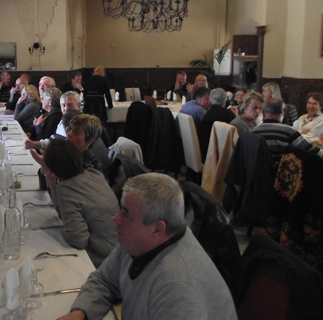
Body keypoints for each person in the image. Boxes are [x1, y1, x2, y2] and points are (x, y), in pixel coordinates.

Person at [56, 173, 236, 320]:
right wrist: (79, 314)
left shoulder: (178, 289)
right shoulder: (136, 243)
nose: (116, 219)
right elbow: (105, 280)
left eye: (125, 214)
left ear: (157, 228)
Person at [43, 139, 119, 267]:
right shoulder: (94, 173)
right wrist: (54, 188)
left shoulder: (67, 187)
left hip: (102, 258)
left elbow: (78, 240)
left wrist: (55, 188)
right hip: (118, 248)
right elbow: (64, 214)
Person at [251, 98, 323, 161]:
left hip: (258, 174)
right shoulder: (288, 132)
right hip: (282, 174)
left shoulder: (253, 132)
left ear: (262, 112)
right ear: (285, 111)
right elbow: (313, 151)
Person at [197, 88, 237, 161]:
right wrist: (236, 116)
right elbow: (236, 133)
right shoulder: (228, 115)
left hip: (203, 151)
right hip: (217, 155)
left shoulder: (208, 112)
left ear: (211, 99)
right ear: (225, 100)